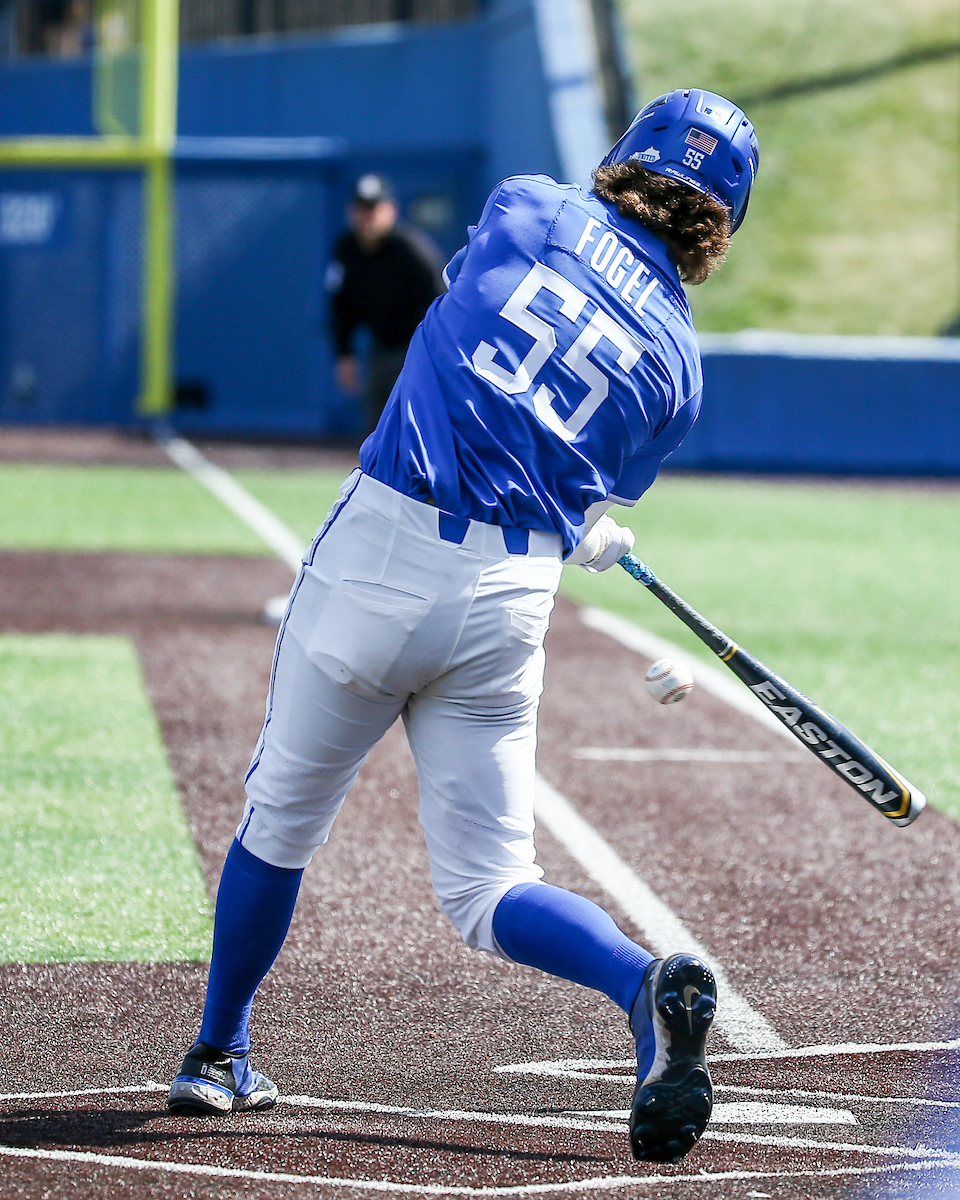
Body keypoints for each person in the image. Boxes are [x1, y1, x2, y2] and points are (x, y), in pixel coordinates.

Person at [168, 89, 760, 1165]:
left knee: (281, 821)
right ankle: (641, 983)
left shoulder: (531, 206)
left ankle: (218, 1052)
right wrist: (582, 520)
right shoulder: (680, 363)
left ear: (630, 152)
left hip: (381, 547)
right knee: (491, 887)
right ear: (724, 220)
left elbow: (475, 331)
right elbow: (591, 471)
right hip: (510, 593)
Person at [326, 172, 445, 435]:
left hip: (416, 349)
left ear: (390, 210)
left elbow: (440, 301)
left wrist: (431, 355)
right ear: (350, 211)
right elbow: (341, 306)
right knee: (377, 427)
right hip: (380, 347)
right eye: (361, 208)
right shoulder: (346, 248)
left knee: (410, 423)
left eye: (373, 208)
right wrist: (344, 354)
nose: (367, 216)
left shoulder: (411, 249)